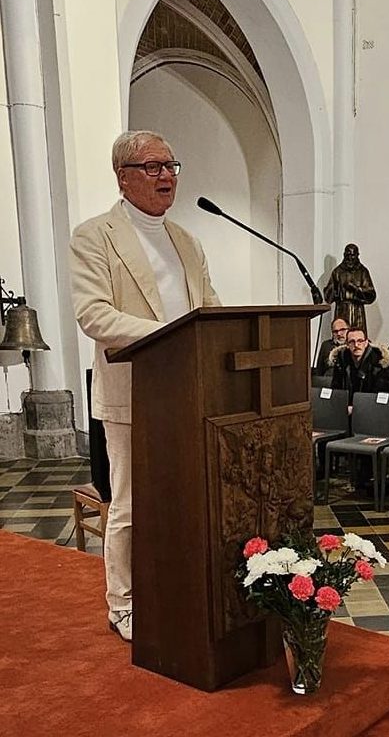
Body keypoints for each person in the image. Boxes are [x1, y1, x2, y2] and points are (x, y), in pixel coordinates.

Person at [69, 130, 220, 642]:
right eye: (153, 167)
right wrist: (172, 335)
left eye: (171, 166)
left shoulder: (186, 240)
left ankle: (177, 586)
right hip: (133, 391)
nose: (167, 176)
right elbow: (94, 315)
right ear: (124, 176)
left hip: (191, 390)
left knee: (187, 496)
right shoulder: (95, 236)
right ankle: (124, 603)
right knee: (131, 503)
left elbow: (211, 308)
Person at [329, 327, 389, 404]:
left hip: (370, 409)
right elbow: (335, 390)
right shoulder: (341, 361)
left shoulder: (379, 363)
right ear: (347, 344)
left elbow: (379, 396)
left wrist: (356, 408)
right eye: (352, 342)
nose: (356, 345)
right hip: (345, 408)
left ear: (366, 343)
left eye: (360, 341)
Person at [323, 244, 377, 333]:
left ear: (357, 255)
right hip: (342, 309)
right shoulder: (337, 272)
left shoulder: (363, 271)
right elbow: (328, 297)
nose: (350, 258)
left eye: (352, 255)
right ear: (344, 255)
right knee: (341, 337)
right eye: (347, 255)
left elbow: (371, 294)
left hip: (357, 310)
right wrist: (333, 289)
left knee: (357, 338)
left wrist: (355, 288)